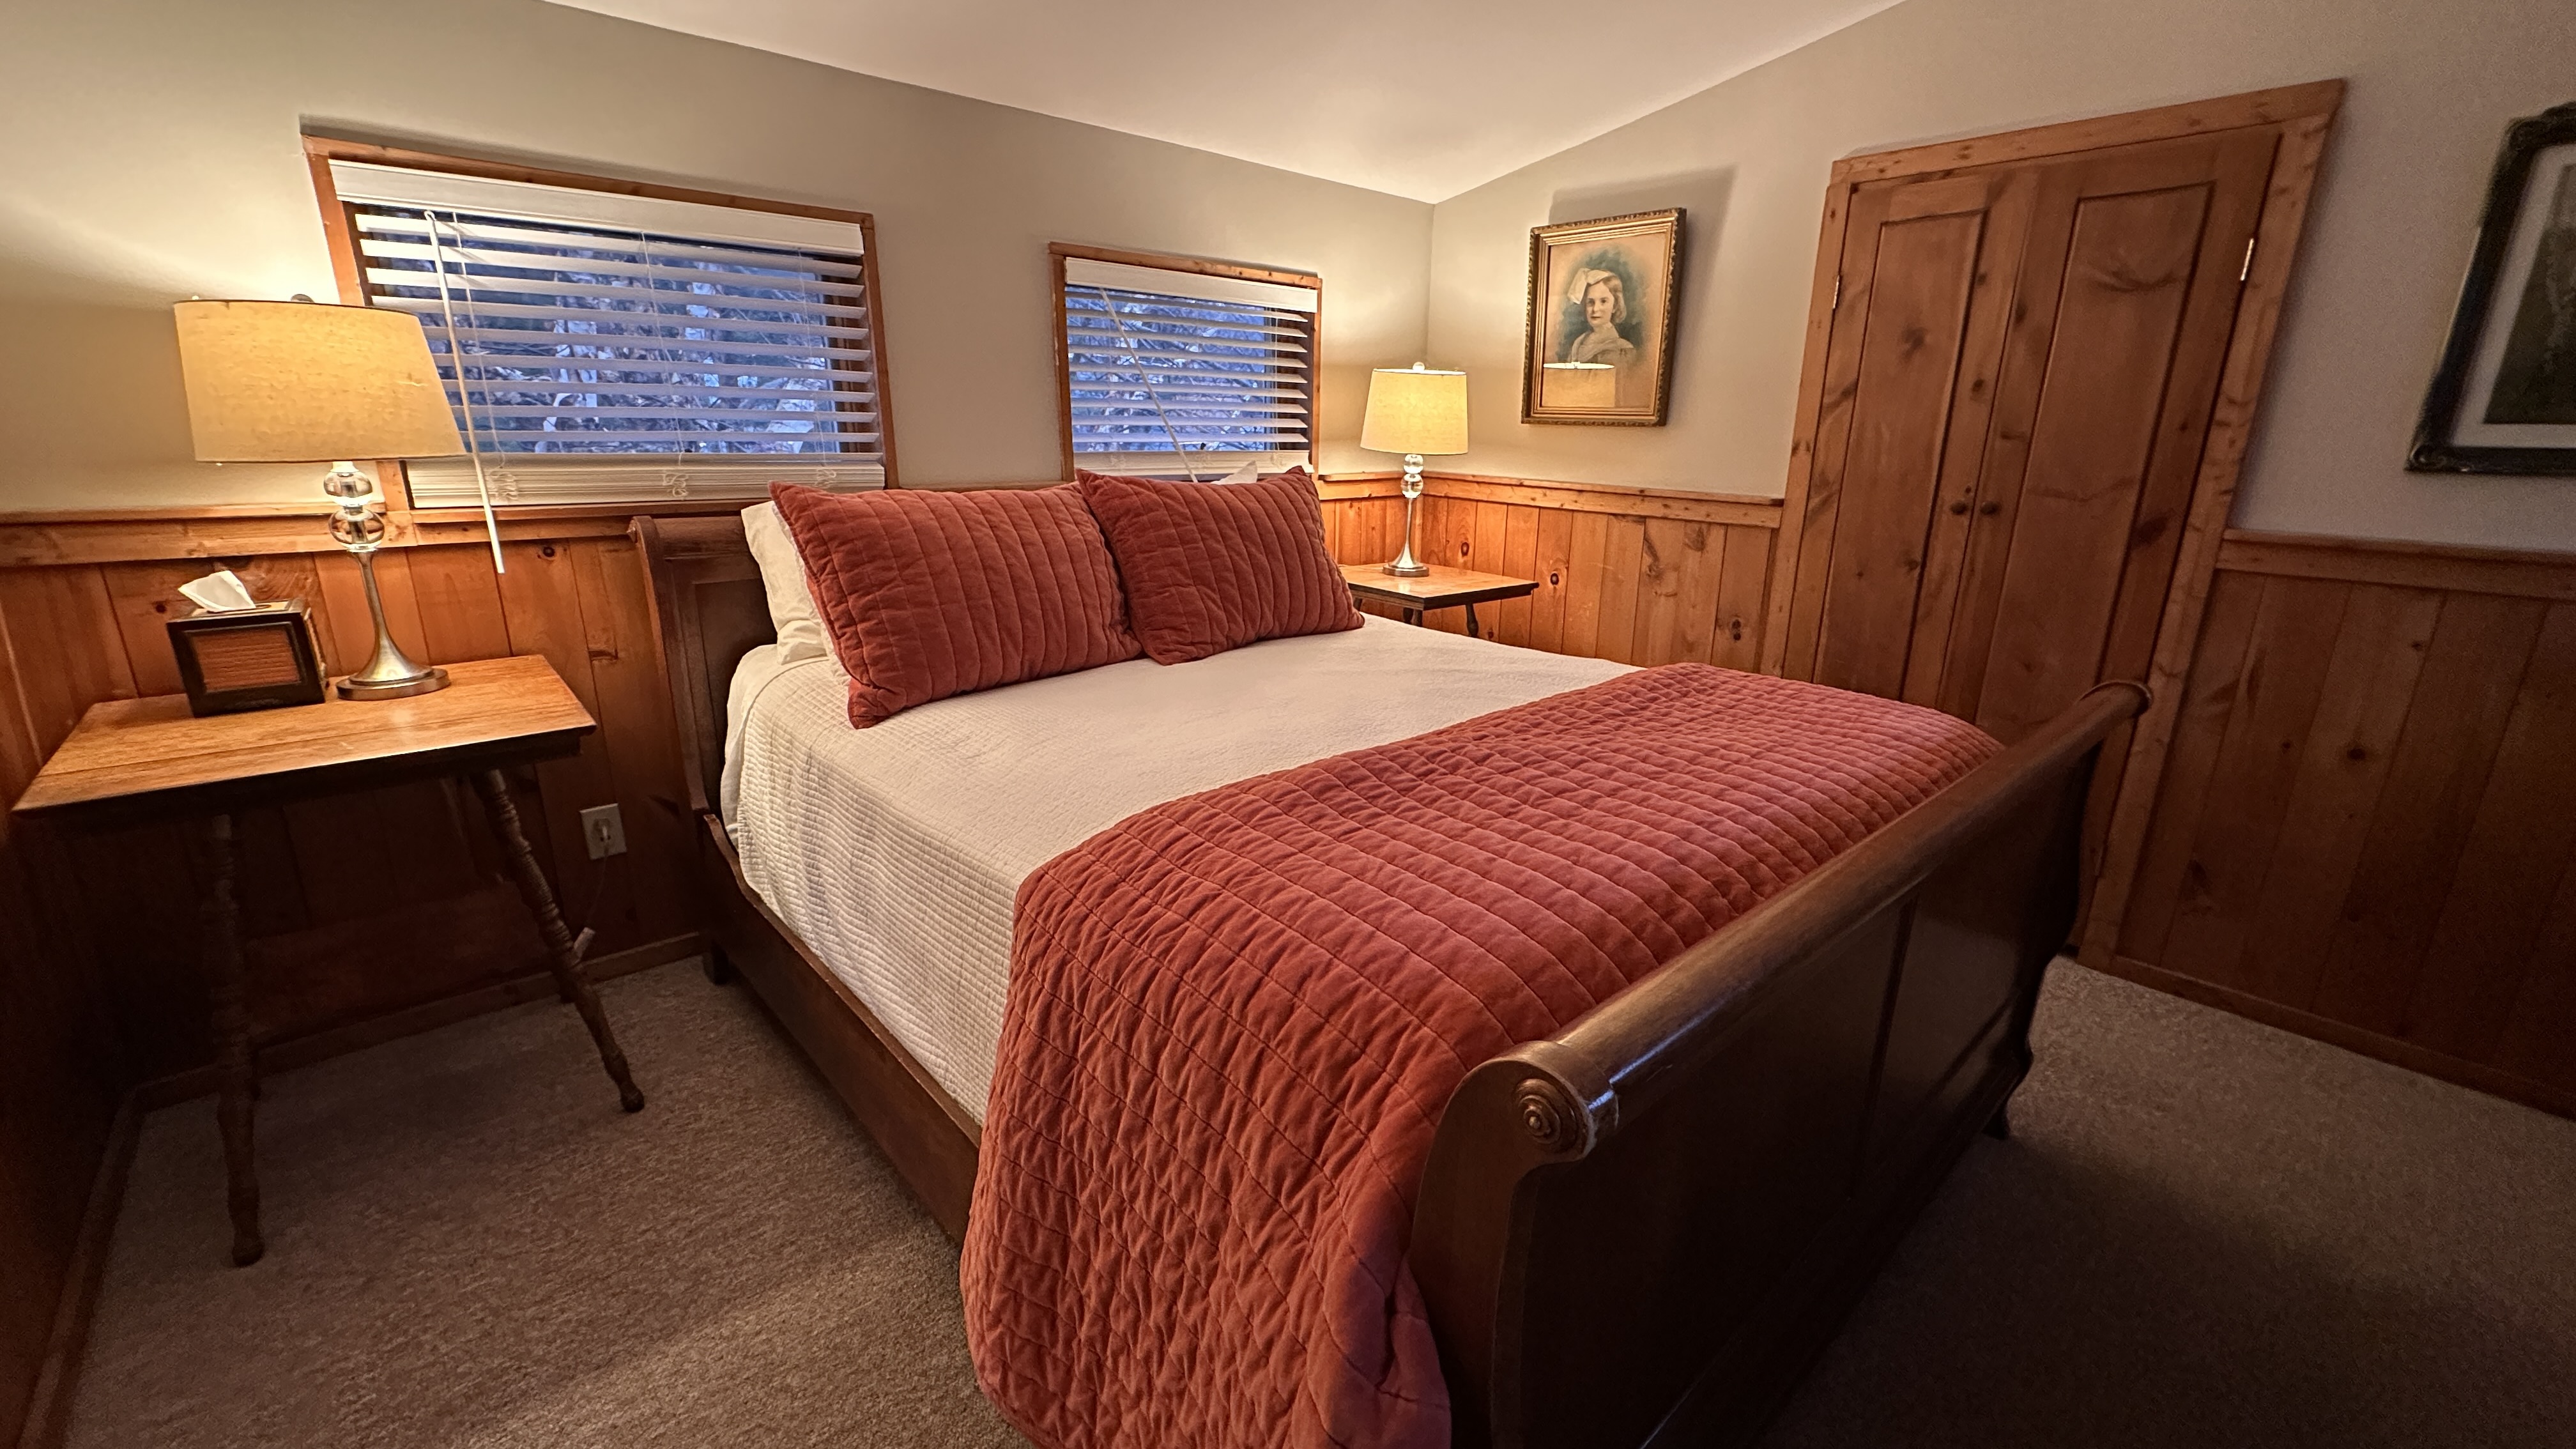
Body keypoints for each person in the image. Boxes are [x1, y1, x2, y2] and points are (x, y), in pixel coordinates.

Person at [1561, 268, 1638, 367]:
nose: (1595, 309)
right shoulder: (1579, 342)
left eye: (1603, 301)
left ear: (1615, 306)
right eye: (1591, 302)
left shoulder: (1622, 349)